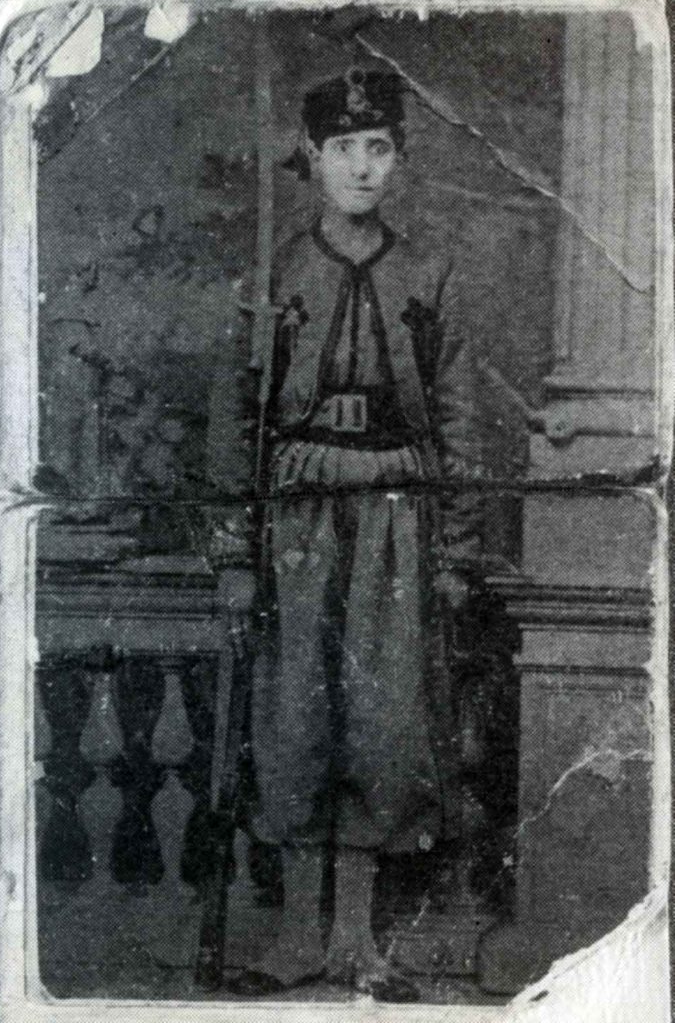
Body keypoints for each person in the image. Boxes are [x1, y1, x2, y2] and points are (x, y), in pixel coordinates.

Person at [205, 67, 485, 1000]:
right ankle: (297, 938)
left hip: (397, 520)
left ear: (397, 160)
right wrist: (234, 554)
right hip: (296, 520)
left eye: (379, 149)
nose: (362, 168)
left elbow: (460, 418)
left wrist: (455, 552)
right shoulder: (274, 273)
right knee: (295, 717)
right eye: (343, 150)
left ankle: (357, 942)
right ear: (312, 158)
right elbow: (233, 421)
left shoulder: (429, 275)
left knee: (381, 718)